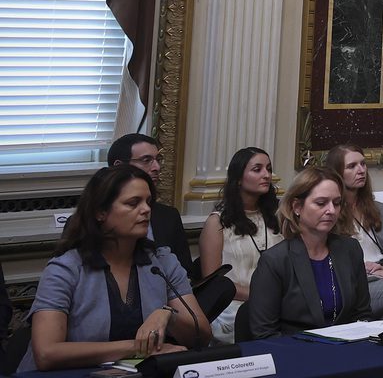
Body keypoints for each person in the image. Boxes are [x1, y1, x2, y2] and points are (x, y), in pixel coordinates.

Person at [21, 165, 211, 371]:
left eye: (148, 202)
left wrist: (169, 315)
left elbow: (202, 336)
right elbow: (46, 353)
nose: (146, 209)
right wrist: (138, 348)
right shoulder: (65, 269)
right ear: (100, 212)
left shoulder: (162, 261)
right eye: (133, 203)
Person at [240, 167, 371, 339]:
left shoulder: (350, 249)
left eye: (337, 203)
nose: (331, 210)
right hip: (295, 355)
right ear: (297, 207)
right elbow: (264, 334)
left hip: (348, 350)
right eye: (321, 203)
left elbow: (363, 315)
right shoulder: (275, 260)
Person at [197, 146, 281, 342]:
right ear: (238, 178)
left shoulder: (278, 217)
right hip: (232, 306)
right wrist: (259, 296)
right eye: (257, 169)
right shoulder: (217, 223)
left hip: (276, 301)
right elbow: (213, 283)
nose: (266, 175)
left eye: (268, 169)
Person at [322, 144, 383, 316]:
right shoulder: (329, 212)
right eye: (352, 166)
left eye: (363, 164)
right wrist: (364, 268)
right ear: (337, 172)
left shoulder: (378, 209)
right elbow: (328, 264)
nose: (361, 170)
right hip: (355, 285)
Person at [107, 134, 193, 276]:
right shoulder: (90, 218)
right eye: (146, 160)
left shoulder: (168, 216)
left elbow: (186, 272)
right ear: (119, 166)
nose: (157, 167)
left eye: (158, 160)